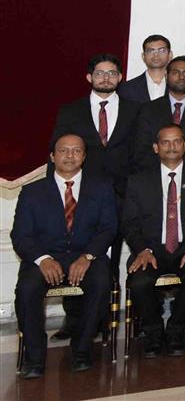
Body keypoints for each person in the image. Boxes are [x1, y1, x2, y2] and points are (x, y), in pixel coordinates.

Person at [12, 134, 118, 377]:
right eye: (63, 150)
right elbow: (21, 235)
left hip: (86, 255)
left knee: (102, 283)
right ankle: (35, 357)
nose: (70, 155)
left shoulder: (101, 188)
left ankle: (81, 350)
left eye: (76, 150)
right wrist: (43, 259)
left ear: (84, 156)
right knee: (27, 289)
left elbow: (108, 228)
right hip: (44, 258)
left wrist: (88, 256)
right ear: (52, 156)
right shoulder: (32, 192)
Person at [123, 124, 185, 358]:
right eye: (165, 142)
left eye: (177, 141)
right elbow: (129, 223)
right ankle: (153, 331)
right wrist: (142, 250)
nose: (171, 146)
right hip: (150, 250)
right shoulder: (138, 180)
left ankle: (175, 328)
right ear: (156, 148)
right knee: (140, 282)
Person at [52, 54, 140, 199]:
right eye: (100, 73)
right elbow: (57, 150)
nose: (106, 78)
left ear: (119, 77)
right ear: (89, 77)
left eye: (112, 73)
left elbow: (141, 152)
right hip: (82, 191)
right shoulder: (71, 111)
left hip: (125, 192)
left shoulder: (135, 110)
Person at [134, 55, 185, 172]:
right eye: (176, 72)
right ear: (166, 76)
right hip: (154, 178)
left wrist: (184, 176)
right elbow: (142, 149)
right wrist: (164, 173)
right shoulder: (148, 109)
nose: (181, 77)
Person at [118, 34, 171, 105]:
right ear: (143, 56)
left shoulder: (180, 85)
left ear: (170, 55)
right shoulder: (127, 88)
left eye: (161, 50)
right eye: (150, 51)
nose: (156, 55)